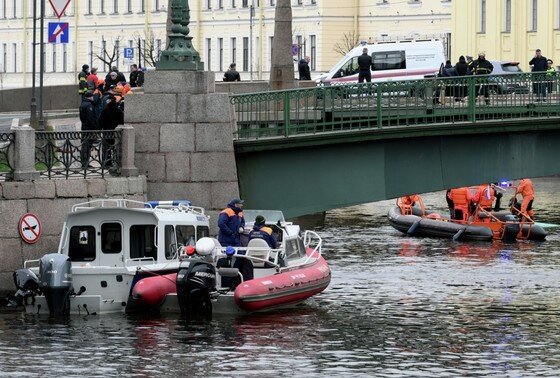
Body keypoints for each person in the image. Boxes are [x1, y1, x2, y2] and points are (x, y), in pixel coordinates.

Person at [98, 95, 124, 169]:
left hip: (107, 132)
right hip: (116, 132)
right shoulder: (119, 111)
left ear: (109, 101)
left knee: (106, 148)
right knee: (116, 148)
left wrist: (99, 130)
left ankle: (106, 163)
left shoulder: (105, 110)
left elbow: (100, 121)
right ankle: (116, 162)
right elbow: (121, 121)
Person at [79, 91, 97, 168]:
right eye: (92, 96)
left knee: (84, 145)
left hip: (84, 127)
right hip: (89, 128)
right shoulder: (89, 105)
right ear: (89, 97)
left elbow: (81, 118)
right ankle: (85, 163)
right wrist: (94, 128)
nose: (93, 97)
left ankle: (84, 162)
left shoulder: (82, 104)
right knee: (87, 145)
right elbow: (91, 118)